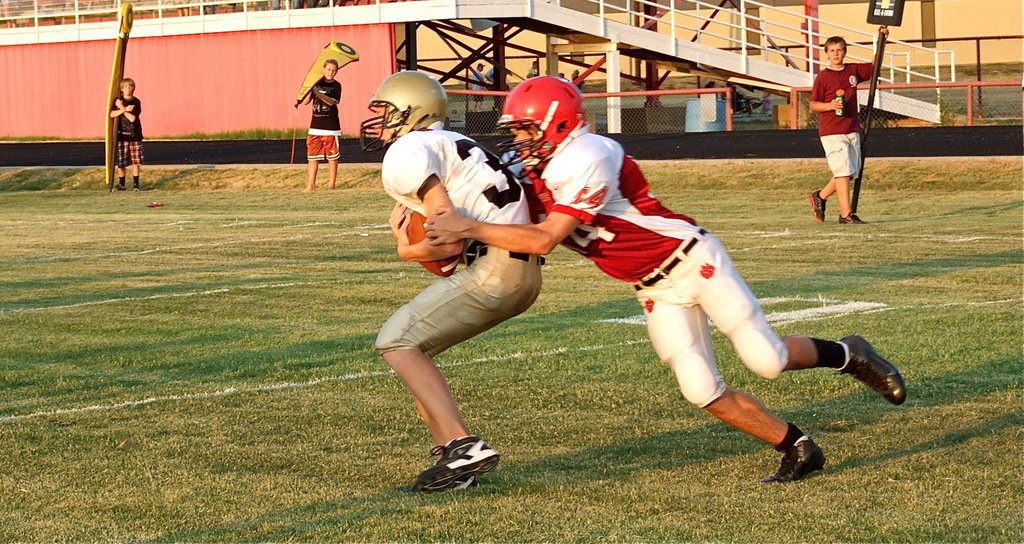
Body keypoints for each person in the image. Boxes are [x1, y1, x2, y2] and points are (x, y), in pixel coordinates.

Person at [426, 76, 907, 484]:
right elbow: (494, 217)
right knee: (700, 389)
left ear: (558, 123)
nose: (520, 141)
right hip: (653, 287)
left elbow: (546, 237)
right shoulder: (535, 170)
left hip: (692, 260)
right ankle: (798, 447)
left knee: (767, 359)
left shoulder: (588, 153)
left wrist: (466, 227)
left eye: (528, 129)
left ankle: (850, 353)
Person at [359, 70, 543, 492]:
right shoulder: (458, 144)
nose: (381, 121)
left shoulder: (410, 148)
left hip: (498, 268)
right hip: (521, 269)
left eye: (387, 111)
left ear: (412, 111)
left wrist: (406, 248)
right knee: (414, 351)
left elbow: (446, 237)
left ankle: (463, 444)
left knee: (396, 340)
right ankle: (453, 463)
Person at [807, 28, 888, 224]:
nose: (836, 54)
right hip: (832, 130)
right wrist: (830, 105)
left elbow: (875, 66)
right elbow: (813, 104)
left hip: (852, 127)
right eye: (832, 50)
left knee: (850, 172)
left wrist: (882, 39)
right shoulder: (824, 77)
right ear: (826, 54)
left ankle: (821, 196)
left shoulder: (852, 71)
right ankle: (846, 214)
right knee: (843, 171)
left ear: (845, 52)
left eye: (840, 50)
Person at [304, 59, 343, 191]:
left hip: (331, 127)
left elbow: (332, 102)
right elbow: (306, 102)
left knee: (332, 157)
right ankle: (311, 185)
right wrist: (310, 88)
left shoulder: (336, 86)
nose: (331, 72)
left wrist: (319, 94)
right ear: (324, 69)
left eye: (334, 70)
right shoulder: (317, 83)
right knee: (313, 156)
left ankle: (331, 185)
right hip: (315, 125)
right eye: (329, 69)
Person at [110, 77, 144, 191]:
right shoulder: (118, 101)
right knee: (121, 162)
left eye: (130, 87)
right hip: (121, 136)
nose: (128, 89)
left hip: (134, 135)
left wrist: (122, 109)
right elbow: (111, 114)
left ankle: (136, 184)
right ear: (122, 89)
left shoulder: (136, 102)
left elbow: (132, 118)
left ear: (133, 88)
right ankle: (122, 184)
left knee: (136, 161)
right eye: (125, 87)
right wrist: (122, 108)